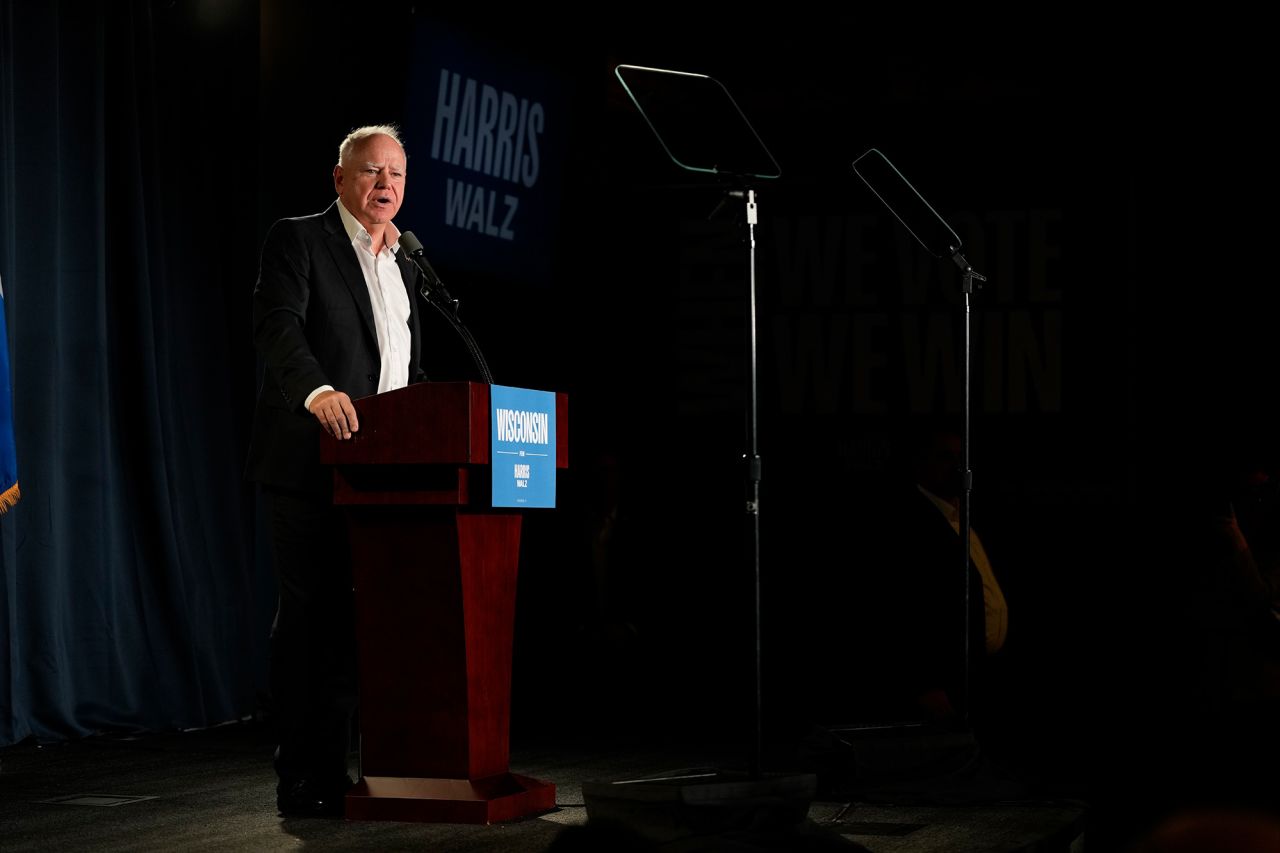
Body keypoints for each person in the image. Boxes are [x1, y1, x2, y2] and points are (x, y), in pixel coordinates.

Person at [244, 124, 427, 818]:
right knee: (311, 619)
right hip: (308, 464)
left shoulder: (408, 260)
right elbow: (277, 324)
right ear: (340, 177)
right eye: (373, 171)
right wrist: (317, 391)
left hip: (384, 473)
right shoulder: (300, 239)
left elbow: (409, 368)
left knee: (357, 625)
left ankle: (339, 769)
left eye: (398, 176)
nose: (386, 185)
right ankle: (301, 774)